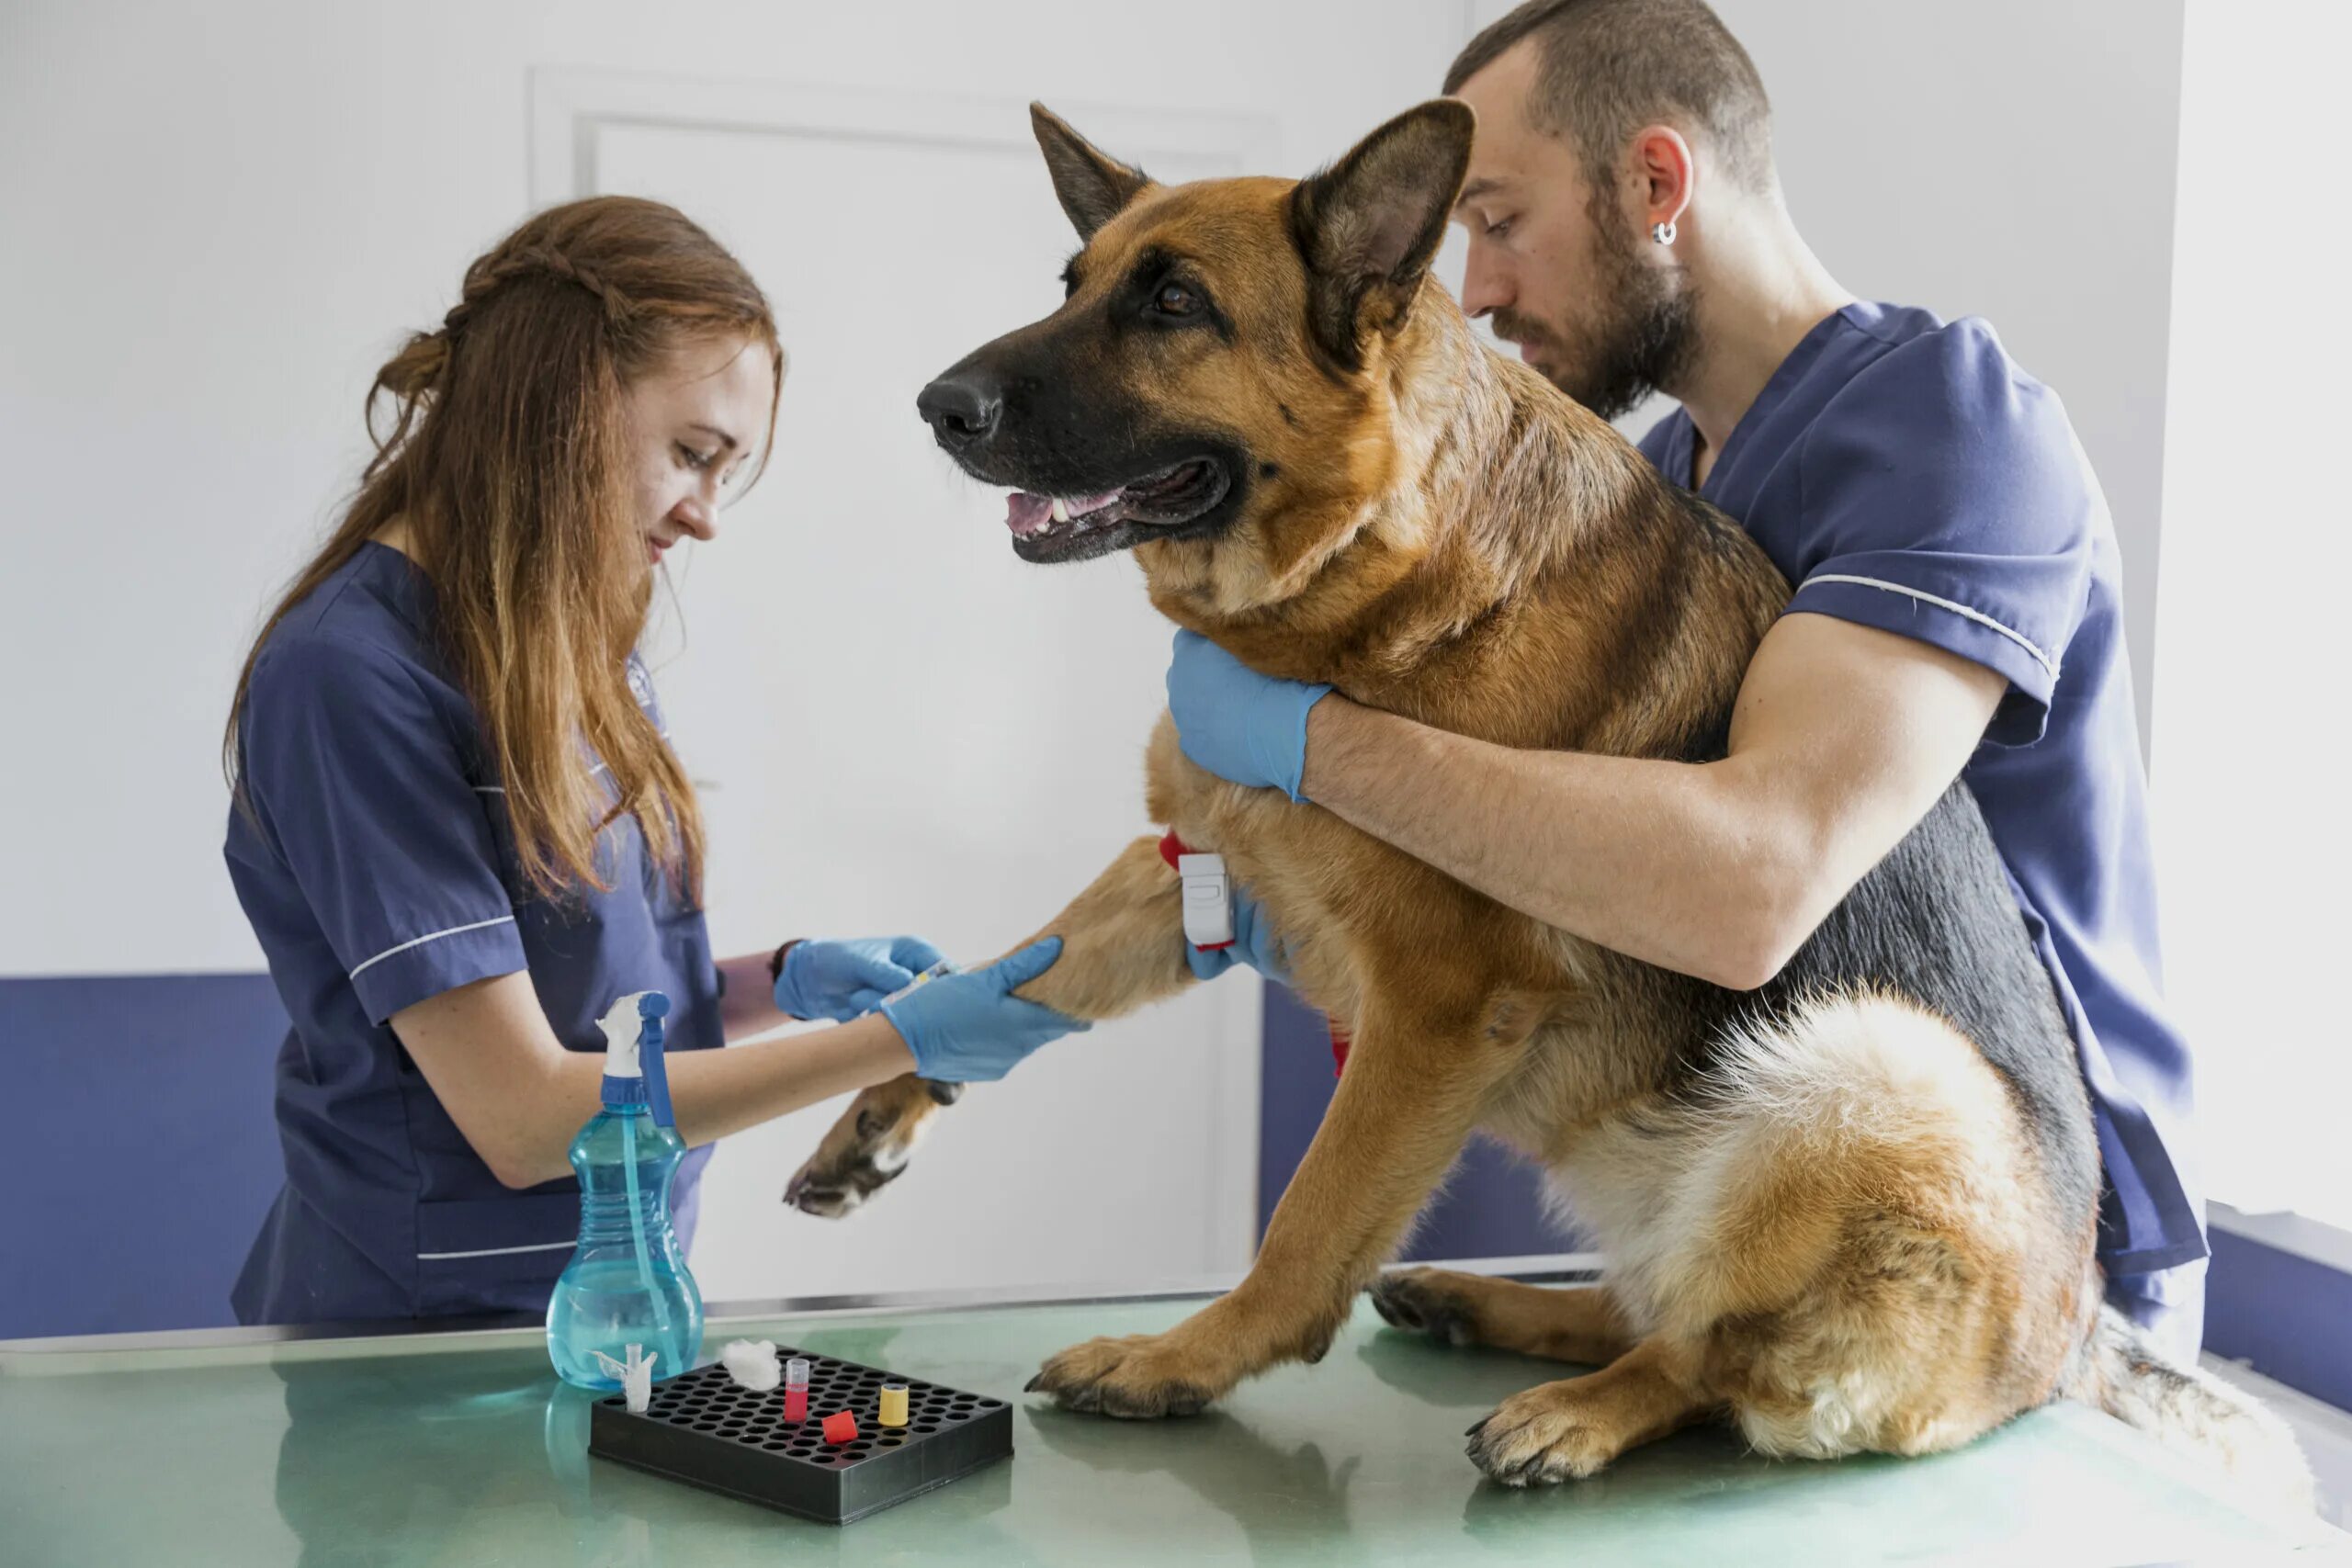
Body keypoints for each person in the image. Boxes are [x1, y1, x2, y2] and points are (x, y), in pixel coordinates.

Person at [1165, 0, 2206, 1357]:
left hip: (1989, 1264)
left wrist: (1314, 743)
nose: (1471, 289)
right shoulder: (1658, 489)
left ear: (1656, 184)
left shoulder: (1946, 425)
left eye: (1499, 219)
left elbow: (1748, 891)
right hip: (1765, 1230)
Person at [222, 196, 1084, 1325]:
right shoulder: (351, 678)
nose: (707, 516)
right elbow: (525, 1115)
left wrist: (780, 982)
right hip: (428, 1331)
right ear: (556, 405)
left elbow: (598, 1010)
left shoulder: (564, 648)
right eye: (692, 454)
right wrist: (895, 1041)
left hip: (613, 1290)